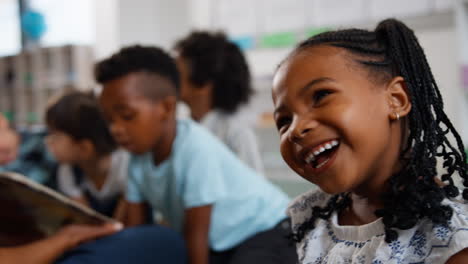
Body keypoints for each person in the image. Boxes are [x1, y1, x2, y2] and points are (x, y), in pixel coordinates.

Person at [272, 18, 468, 263]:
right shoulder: (304, 216)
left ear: (396, 99)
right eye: (284, 121)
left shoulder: (454, 239)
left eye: (321, 95)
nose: (296, 129)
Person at [96, 45, 296, 264]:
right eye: (109, 120)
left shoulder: (194, 147)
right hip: (221, 242)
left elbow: (196, 235)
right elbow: (137, 234)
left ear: (166, 107)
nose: (115, 129)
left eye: (126, 116)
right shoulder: (136, 158)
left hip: (268, 228)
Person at [174, 31, 264, 173]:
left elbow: (253, 191)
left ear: (203, 84)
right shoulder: (181, 129)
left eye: (177, 73)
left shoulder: (236, 133)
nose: (169, 79)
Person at [45, 91, 129, 219]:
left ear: (84, 147)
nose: (48, 141)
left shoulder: (125, 165)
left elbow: (123, 221)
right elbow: (86, 219)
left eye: (55, 136)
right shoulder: (68, 171)